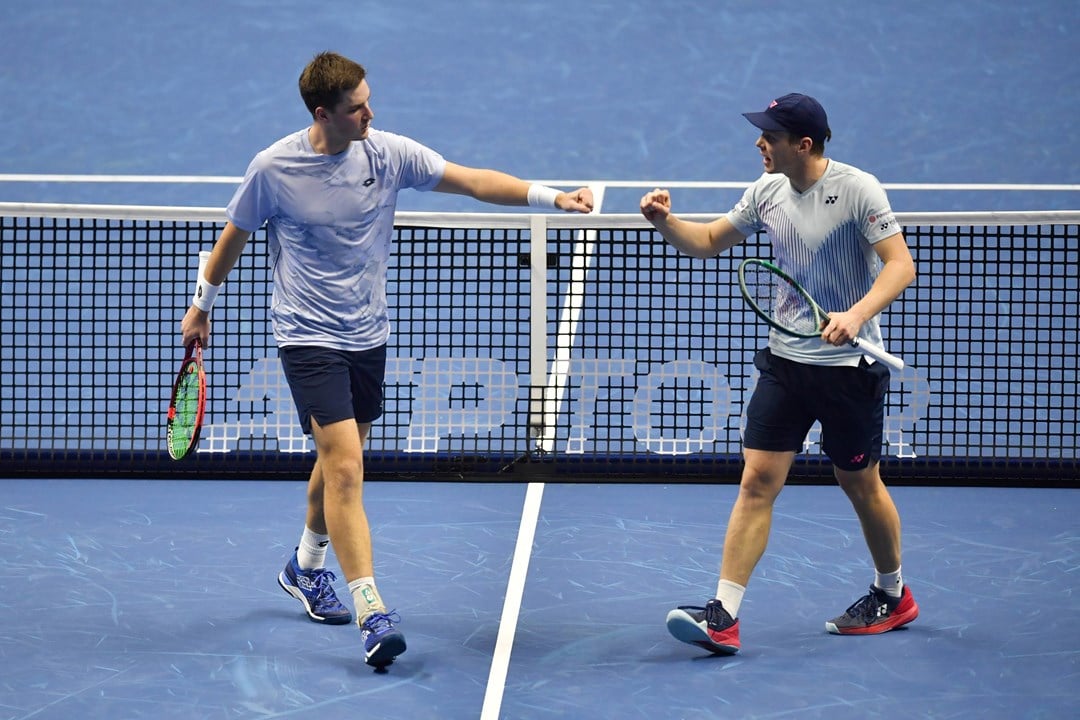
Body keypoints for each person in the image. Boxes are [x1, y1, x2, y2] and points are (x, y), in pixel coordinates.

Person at [180, 51, 594, 668]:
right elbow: (233, 237)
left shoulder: (388, 152)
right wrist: (201, 306)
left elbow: (471, 180)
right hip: (306, 336)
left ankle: (305, 565)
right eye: (356, 108)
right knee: (346, 468)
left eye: (369, 99)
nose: (370, 112)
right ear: (324, 114)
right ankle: (373, 610)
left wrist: (552, 198)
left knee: (339, 458)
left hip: (367, 335)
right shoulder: (273, 168)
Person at [640, 93, 918, 656]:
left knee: (860, 484)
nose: (759, 143)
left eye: (769, 136)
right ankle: (723, 615)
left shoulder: (857, 189)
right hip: (785, 364)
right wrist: (666, 222)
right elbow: (711, 241)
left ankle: (893, 594)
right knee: (756, 481)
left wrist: (856, 314)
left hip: (849, 368)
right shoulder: (766, 191)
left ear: (804, 145)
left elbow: (900, 264)